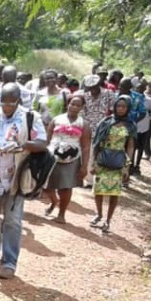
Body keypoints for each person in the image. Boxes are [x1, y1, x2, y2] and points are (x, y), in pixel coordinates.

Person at [0, 83, 48, 280]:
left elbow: (42, 143)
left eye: (10, 104)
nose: (6, 107)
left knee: (13, 222)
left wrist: (23, 146)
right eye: (3, 103)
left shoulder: (30, 118)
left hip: (17, 177)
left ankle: (9, 262)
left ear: (18, 101)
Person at [89, 96, 136, 233]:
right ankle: (99, 214)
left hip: (118, 162)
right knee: (98, 190)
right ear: (114, 106)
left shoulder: (130, 125)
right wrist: (93, 162)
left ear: (128, 108)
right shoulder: (106, 121)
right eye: (118, 106)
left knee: (114, 193)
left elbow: (130, 147)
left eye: (124, 106)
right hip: (102, 159)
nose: (120, 109)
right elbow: (97, 142)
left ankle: (108, 220)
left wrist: (127, 166)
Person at [43, 93, 91, 224]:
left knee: (65, 187)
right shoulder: (56, 120)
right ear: (67, 104)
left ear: (82, 108)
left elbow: (86, 146)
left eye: (78, 105)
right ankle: (54, 202)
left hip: (71, 158)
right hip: (52, 156)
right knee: (46, 185)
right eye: (72, 104)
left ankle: (61, 213)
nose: (74, 107)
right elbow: (47, 140)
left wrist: (84, 166)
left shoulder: (84, 124)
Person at [130, 81, 151, 176]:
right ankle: (131, 165)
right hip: (132, 127)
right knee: (132, 147)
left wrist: (148, 119)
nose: (139, 90)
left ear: (144, 89)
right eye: (137, 88)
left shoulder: (149, 100)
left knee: (140, 148)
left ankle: (137, 166)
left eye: (141, 88)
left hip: (144, 128)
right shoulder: (131, 99)